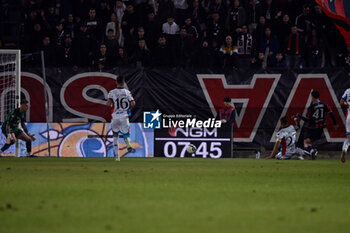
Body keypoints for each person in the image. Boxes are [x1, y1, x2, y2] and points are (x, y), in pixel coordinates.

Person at [297, 90, 338, 159]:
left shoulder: (311, 107)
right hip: (320, 127)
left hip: (312, 127)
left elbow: (308, 120)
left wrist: (299, 116)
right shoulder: (325, 104)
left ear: (312, 97)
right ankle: (312, 152)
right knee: (310, 142)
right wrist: (335, 123)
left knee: (306, 142)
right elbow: (331, 114)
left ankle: (312, 151)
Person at [106, 76, 135, 161]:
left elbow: (108, 103)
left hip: (115, 117)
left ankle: (117, 157)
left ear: (116, 82)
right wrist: (128, 107)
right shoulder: (127, 92)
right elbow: (133, 103)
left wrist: (111, 104)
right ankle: (128, 143)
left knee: (115, 136)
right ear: (123, 82)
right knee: (126, 133)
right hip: (124, 116)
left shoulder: (111, 92)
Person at [340, 88, 350, 162]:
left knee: (348, 137)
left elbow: (341, 102)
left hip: (349, 117)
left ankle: (344, 150)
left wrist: (347, 104)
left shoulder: (348, 90)